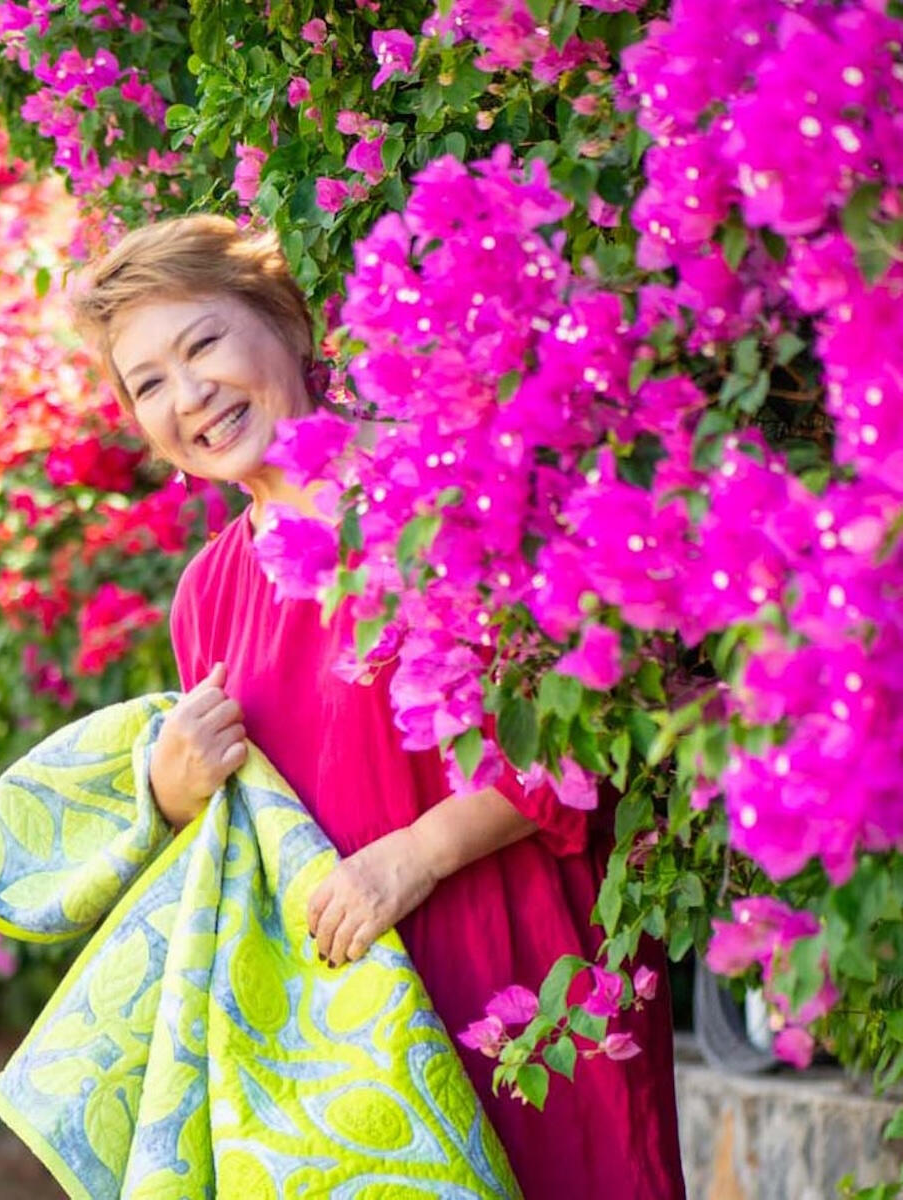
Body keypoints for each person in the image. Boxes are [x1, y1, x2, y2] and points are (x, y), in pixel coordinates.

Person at [70, 214, 686, 1200]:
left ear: (288, 325)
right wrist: (176, 794)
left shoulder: (440, 487)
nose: (188, 396)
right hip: (350, 1056)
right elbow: (248, 855)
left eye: (204, 343)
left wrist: (416, 856)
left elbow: (587, 732)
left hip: (529, 992)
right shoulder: (208, 596)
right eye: (148, 383)